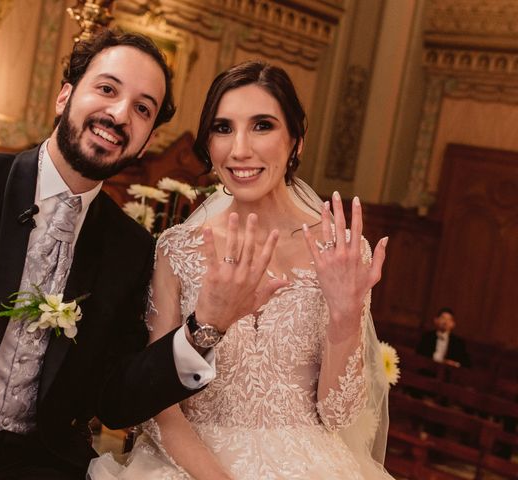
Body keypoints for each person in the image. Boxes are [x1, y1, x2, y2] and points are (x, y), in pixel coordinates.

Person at [0, 31, 283, 480]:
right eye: (107, 89)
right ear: (65, 96)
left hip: (42, 465)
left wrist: (205, 327)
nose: (118, 114)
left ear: (145, 142)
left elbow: (116, 400)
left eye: (142, 109)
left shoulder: (129, 247)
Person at [88, 61, 393, 479]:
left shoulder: (340, 252)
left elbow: (338, 414)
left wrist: (344, 316)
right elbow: (156, 403)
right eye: (223, 128)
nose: (239, 150)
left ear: (296, 141)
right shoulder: (177, 251)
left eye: (262, 125)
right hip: (192, 465)